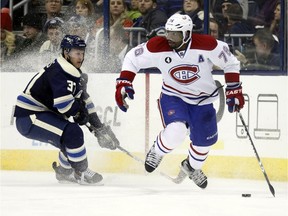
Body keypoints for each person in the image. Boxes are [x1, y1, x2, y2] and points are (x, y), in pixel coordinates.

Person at [115, 14, 244, 189]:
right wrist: (124, 81)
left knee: (204, 143)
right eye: (168, 33)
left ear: (187, 34)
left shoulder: (207, 45)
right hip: (174, 96)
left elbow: (231, 63)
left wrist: (234, 88)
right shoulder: (157, 45)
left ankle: (191, 167)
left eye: (175, 34)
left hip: (203, 100)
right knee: (176, 131)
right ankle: (157, 151)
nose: (169, 38)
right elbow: (132, 58)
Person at [14, 35, 119, 185]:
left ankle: (65, 172)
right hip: (29, 117)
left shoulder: (72, 71)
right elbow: (64, 105)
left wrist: (98, 126)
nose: (81, 57)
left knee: (68, 137)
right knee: (72, 132)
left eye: (82, 53)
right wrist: (79, 113)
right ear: (66, 52)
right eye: (77, 53)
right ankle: (81, 172)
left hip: (41, 113)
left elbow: (84, 100)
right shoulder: (60, 72)